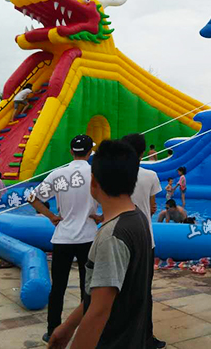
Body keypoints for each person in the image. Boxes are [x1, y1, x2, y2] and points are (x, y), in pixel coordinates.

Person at [48, 139, 152, 349]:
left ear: (93, 182)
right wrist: (68, 326)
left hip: (113, 341)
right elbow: (99, 291)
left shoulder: (111, 236)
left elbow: (99, 310)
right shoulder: (137, 217)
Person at [28, 135, 99, 344]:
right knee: (88, 287)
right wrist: (101, 217)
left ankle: (52, 330)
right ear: (89, 152)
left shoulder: (58, 174)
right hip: (88, 237)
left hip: (63, 237)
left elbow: (33, 198)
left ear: (71, 151)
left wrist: (51, 216)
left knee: (58, 287)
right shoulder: (96, 174)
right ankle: (87, 330)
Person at [122, 133, 166, 349]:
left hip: (119, 238)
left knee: (119, 290)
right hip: (145, 239)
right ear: (142, 153)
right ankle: (146, 338)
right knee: (143, 291)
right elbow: (153, 206)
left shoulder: (114, 175)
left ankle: (121, 336)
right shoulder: (150, 175)